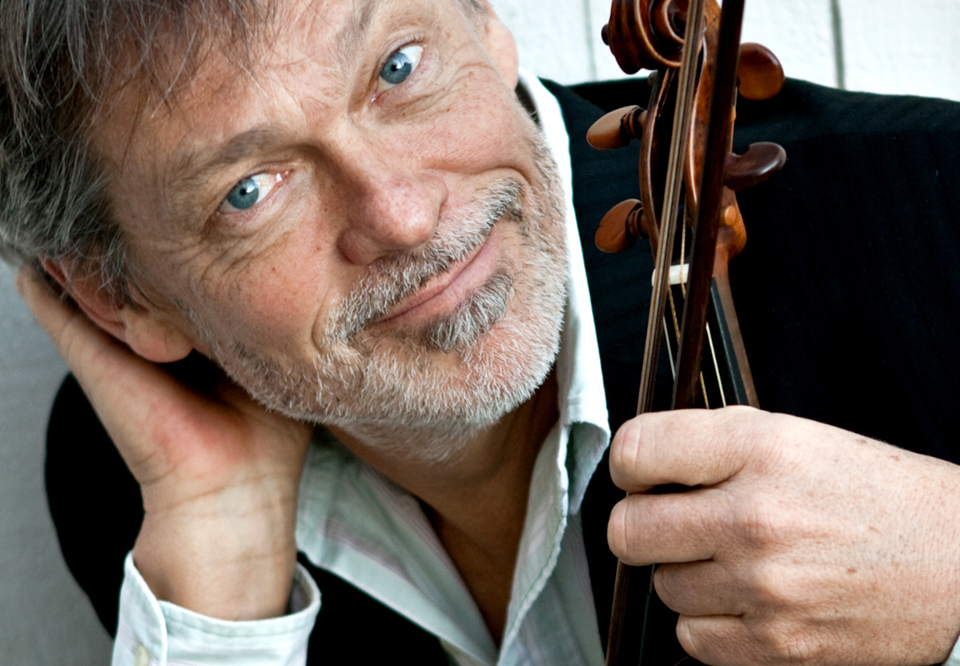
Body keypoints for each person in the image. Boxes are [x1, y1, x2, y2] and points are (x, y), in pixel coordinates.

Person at [4, 0, 960, 664]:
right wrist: (221, 590)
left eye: (398, 68)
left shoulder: (935, 214)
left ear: (487, 26)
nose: (405, 215)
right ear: (117, 299)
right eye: (250, 192)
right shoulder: (139, 494)